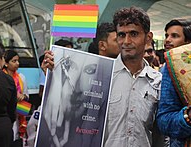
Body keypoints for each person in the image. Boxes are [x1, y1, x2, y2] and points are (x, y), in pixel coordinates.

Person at [43, 6, 162, 147]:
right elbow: (69, 113)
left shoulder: (157, 81)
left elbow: (160, 135)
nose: (126, 41)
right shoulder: (98, 75)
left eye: (134, 34)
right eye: (121, 35)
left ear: (148, 37)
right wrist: (53, 76)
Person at [156, 19, 191, 147]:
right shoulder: (169, 69)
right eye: (166, 36)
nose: (167, 40)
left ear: (188, 42)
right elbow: (164, 121)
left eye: (174, 36)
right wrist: (188, 117)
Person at [3, 50, 29, 143]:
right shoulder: (1, 77)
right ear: (6, 63)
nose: (17, 63)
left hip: (18, 114)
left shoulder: (21, 77)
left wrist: (23, 96)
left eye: (18, 61)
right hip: (6, 114)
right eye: (14, 61)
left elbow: (27, 95)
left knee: (16, 137)